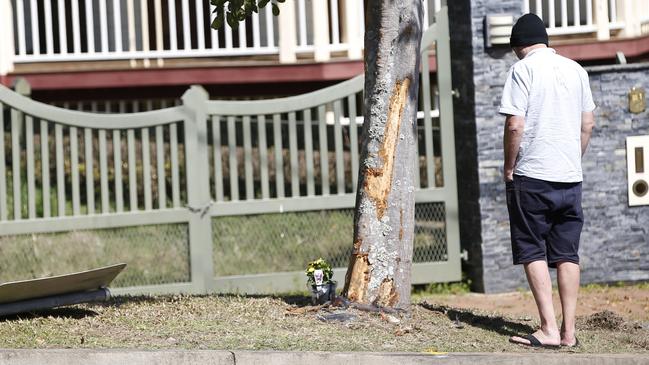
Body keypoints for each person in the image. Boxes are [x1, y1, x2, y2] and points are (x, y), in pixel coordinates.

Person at [499, 13, 596, 348]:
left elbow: (515, 125)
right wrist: (572, 158)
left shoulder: (521, 70)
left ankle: (549, 329)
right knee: (568, 253)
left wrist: (509, 167)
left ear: (518, 46)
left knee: (532, 248)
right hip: (570, 177)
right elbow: (588, 125)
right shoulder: (576, 70)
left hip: (533, 176)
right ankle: (569, 332)